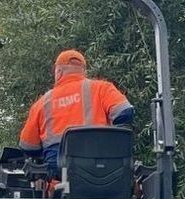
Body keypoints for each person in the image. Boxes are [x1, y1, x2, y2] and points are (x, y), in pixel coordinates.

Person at [19, 50, 135, 184]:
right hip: (102, 167)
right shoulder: (102, 88)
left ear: (59, 72)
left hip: (59, 173)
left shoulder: (42, 103)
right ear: (83, 71)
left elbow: (28, 146)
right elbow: (125, 112)